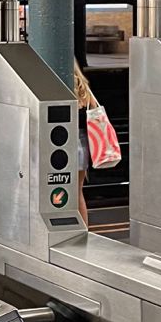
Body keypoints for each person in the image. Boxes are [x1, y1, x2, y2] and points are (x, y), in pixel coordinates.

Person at [74, 58, 93, 226]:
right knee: (77, 191)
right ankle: (84, 230)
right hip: (83, 144)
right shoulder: (84, 90)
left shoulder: (62, 86)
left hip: (68, 144)